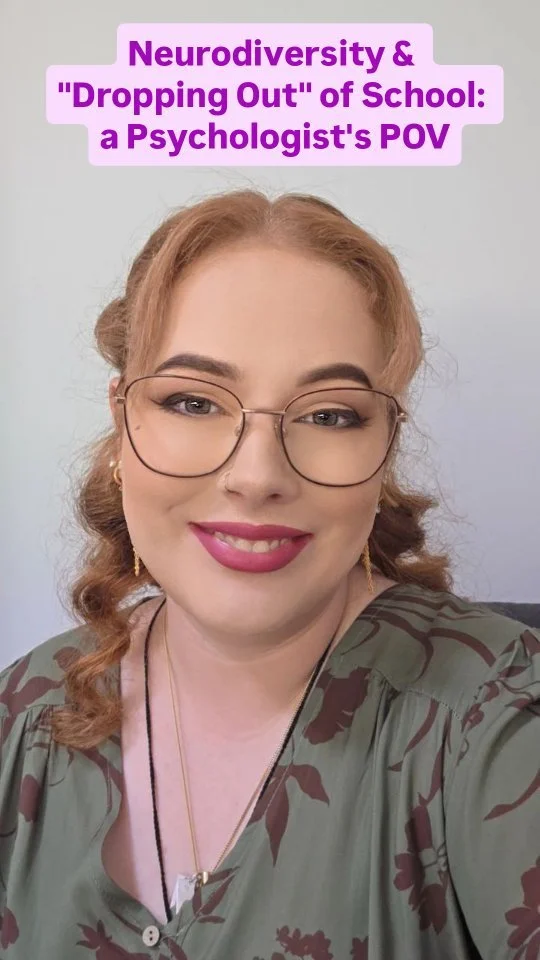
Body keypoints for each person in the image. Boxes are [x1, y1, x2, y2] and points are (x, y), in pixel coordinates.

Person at [0, 190, 538, 960]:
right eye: (193, 401)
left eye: (329, 415)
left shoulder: (500, 720)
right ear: (122, 423)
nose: (257, 477)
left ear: (384, 446)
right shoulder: (21, 720)